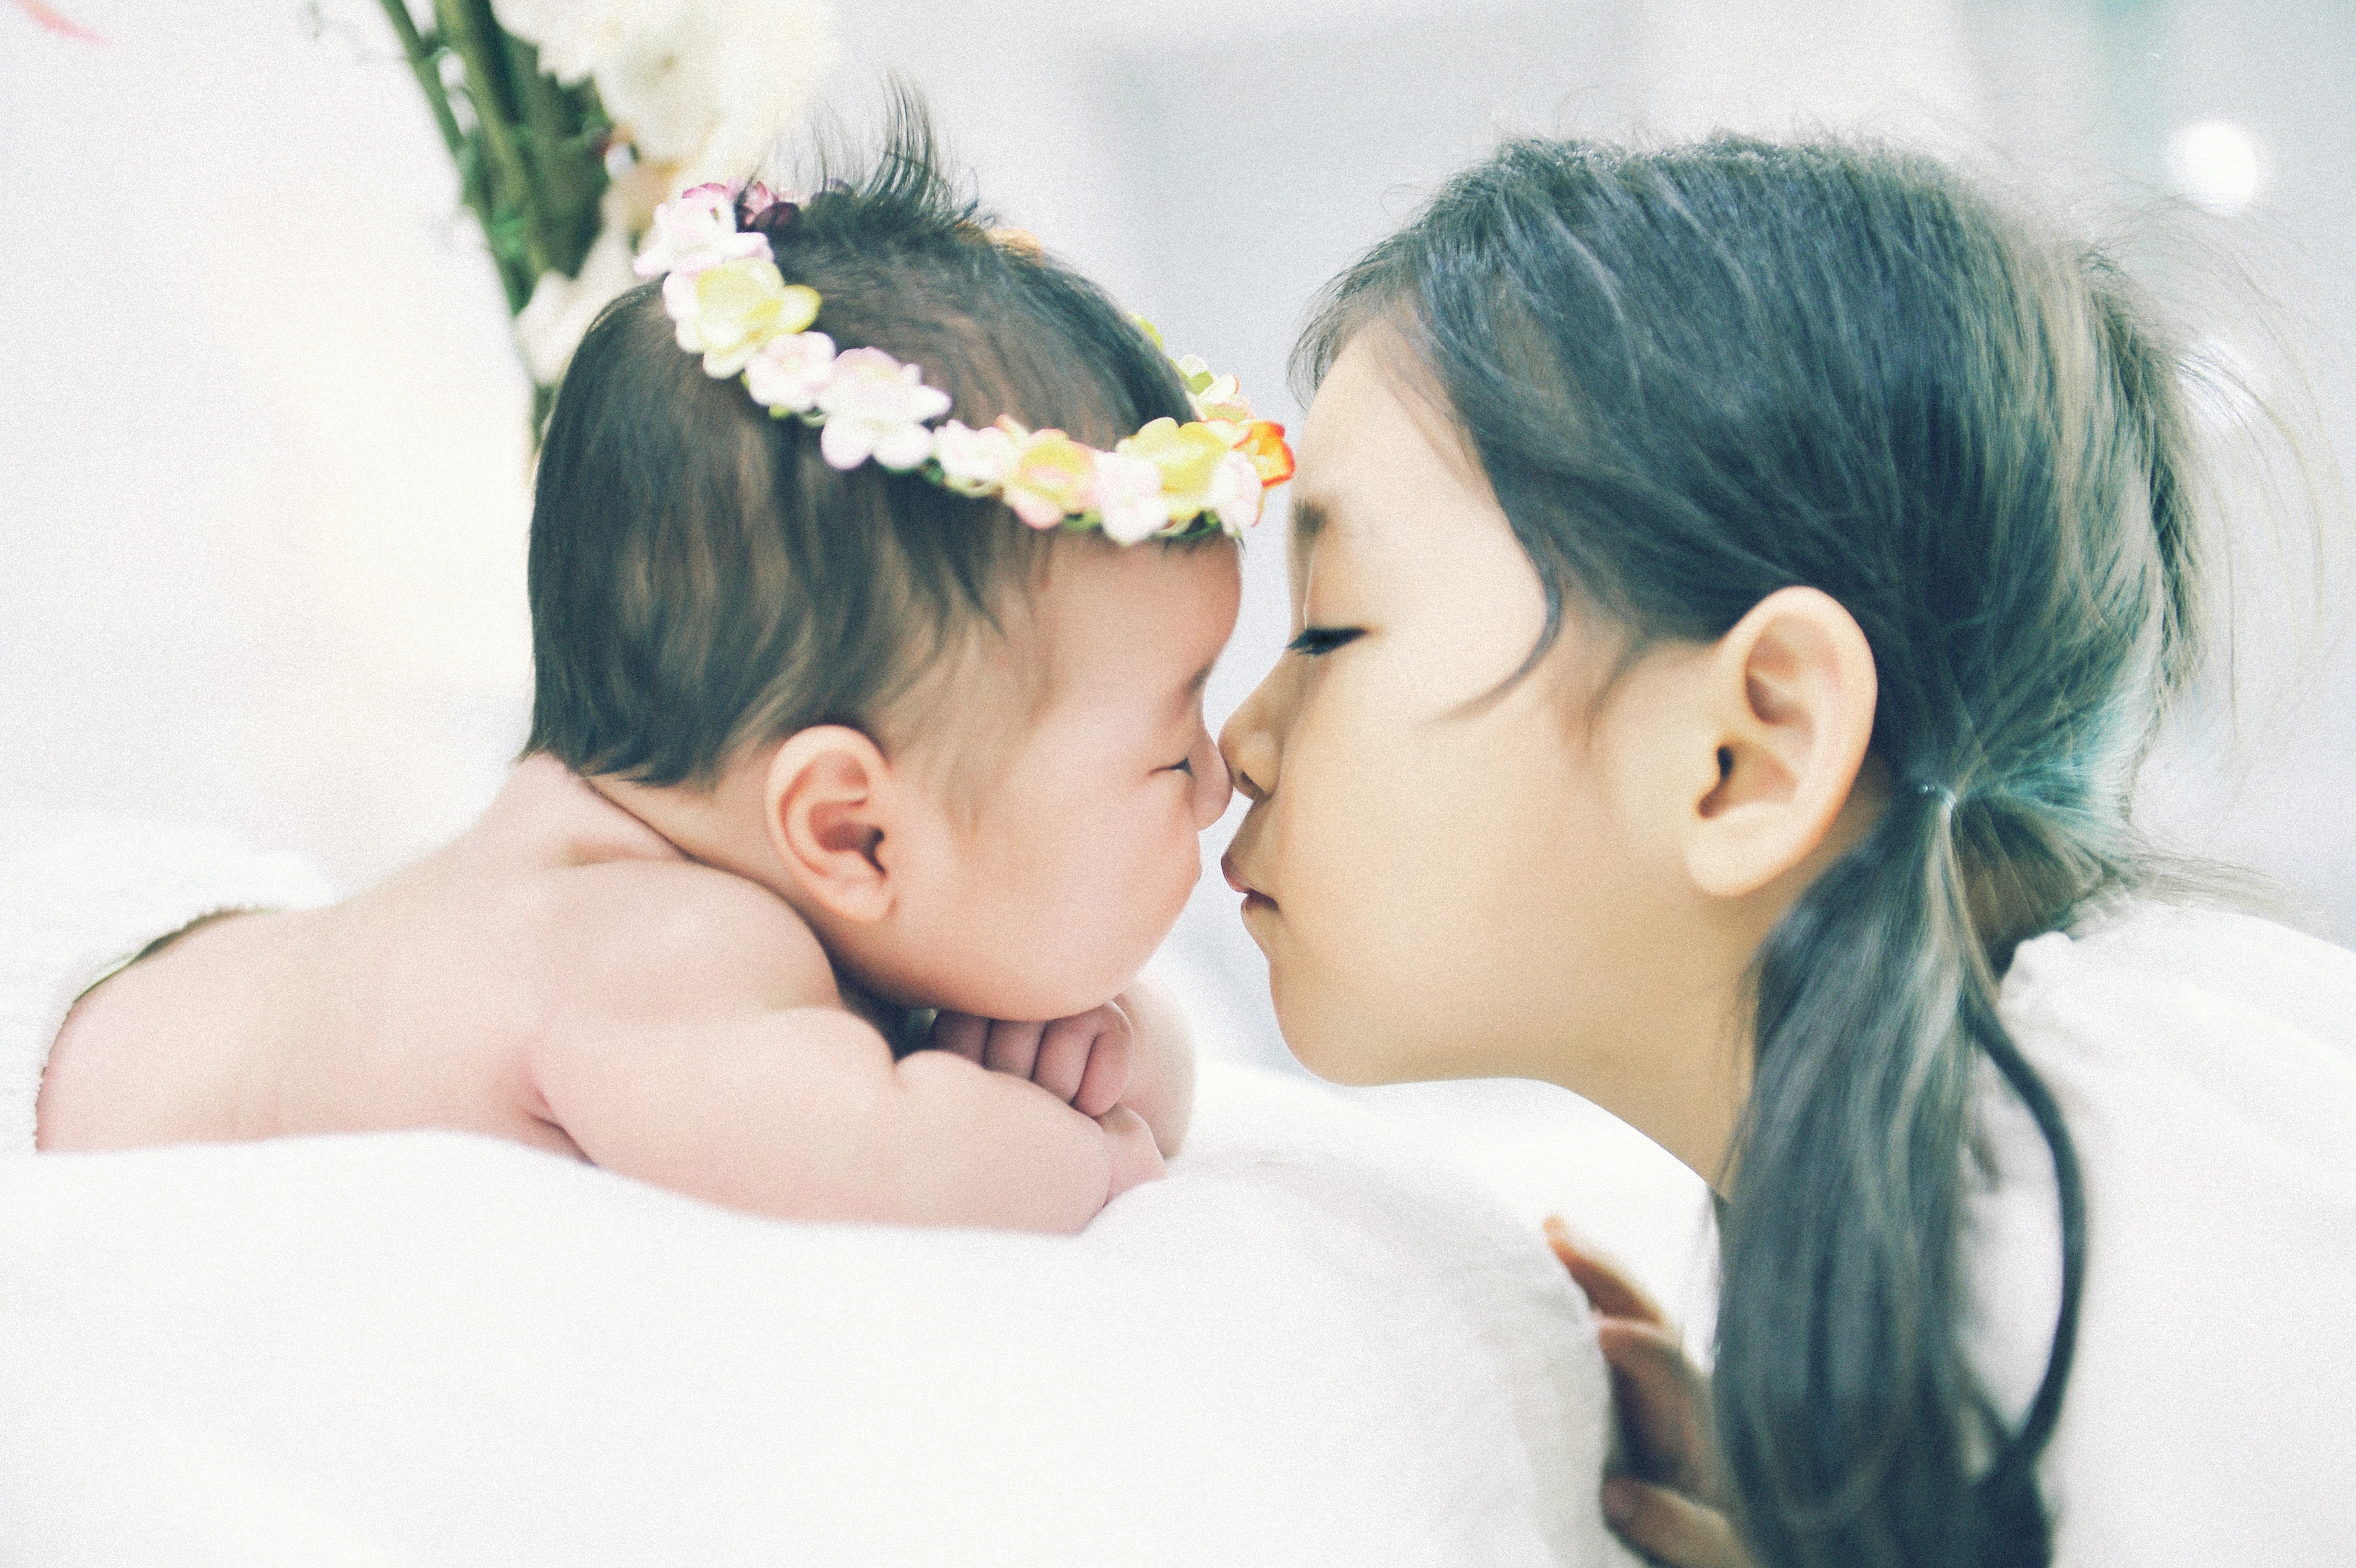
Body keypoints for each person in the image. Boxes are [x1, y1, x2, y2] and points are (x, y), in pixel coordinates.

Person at [1215, 136, 2356, 1567]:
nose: (1231, 742)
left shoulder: (2163, 1232)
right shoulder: (1934, 1193)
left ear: (1748, 748)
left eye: (1328, 626)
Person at [31, 113, 1296, 1235]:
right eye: (1164, 744)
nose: (1213, 779)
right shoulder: (654, 952)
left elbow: (1124, 1051)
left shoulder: (716, 879)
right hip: (58, 1078)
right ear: (851, 829)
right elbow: (905, 1169)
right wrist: (1107, 1147)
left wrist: (1120, 1043)